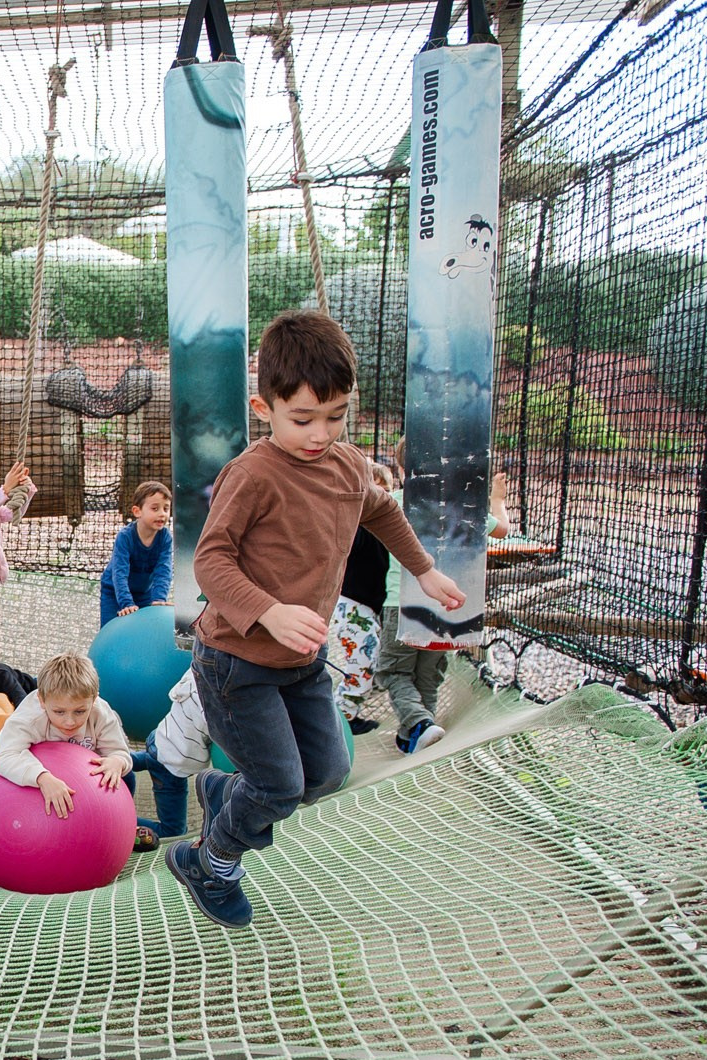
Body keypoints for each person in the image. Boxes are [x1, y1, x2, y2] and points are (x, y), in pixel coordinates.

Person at [169, 311, 464, 929]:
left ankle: (223, 797)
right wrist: (269, 612)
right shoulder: (252, 475)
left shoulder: (348, 466)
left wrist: (424, 570)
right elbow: (211, 563)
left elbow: (381, 511)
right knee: (277, 785)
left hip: (301, 665)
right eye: (302, 418)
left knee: (326, 772)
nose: (319, 433)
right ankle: (210, 862)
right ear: (264, 407)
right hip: (235, 663)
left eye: (336, 416)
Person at [373, 464, 510, 754]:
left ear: (402, 468)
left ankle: (419, 723)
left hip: (403, 602)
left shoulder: (396, 501)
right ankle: (417, 735)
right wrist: (496, 499)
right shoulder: (467, 507)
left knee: (394, 671)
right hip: (449, 605)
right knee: (428, 674)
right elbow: (503, 530)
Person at [0, 653, 145, 844]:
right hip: (43, 778)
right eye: (59, 712)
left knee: (126, 776)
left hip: (88, 785)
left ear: (94, 700)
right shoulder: (29, 718)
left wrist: (117, 761)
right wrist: (42, 778)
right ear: (42, 700)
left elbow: (120, 752)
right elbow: (5, 756)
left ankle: (124, 826)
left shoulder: (101, 713)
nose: (70, 721)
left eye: (80, 711)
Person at [328, 461, 396, 736]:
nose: (381, 499)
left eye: (387, 491)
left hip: (369, 605)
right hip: (352, 604)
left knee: (370, 656)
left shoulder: (389, 525)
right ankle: (344, 716)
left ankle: (345, 711)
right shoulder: (357, 526)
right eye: (373, 493)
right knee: (362, 659)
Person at [100, 480, 174, 625]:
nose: (162, 514)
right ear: (137, 511)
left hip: (144, 593)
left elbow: (164, 571)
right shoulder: (125, 537)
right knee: (112, 629)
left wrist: (158, 600)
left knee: (146, 628)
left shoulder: (165, 537)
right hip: (114, 593)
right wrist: (126, 603)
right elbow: (120, 572)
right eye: (155, 508)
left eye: (166, 509)